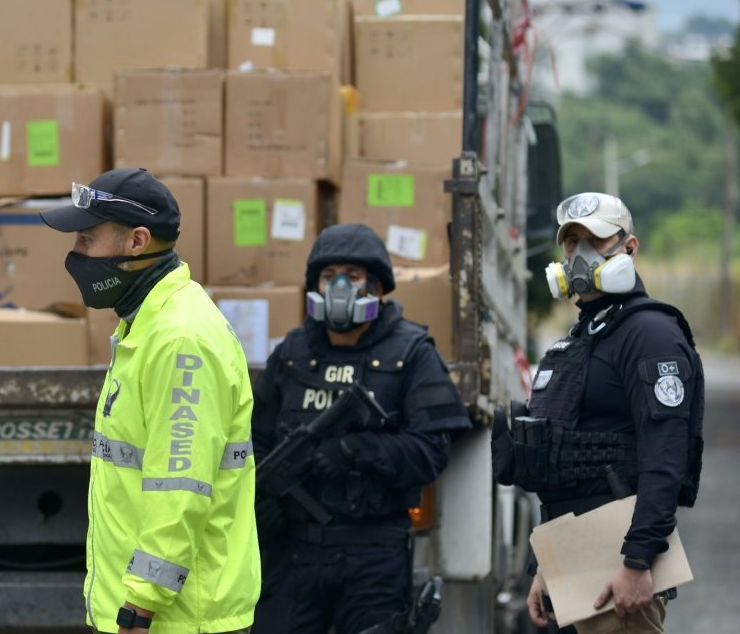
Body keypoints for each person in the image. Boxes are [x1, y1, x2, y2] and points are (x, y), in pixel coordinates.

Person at [41, 168, 260, 634]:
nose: (76, 254)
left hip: (175, 620)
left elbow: (179, 489)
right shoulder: (145, 323)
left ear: (137, 241)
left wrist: (139, 607)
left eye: (86, 239)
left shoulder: (181, 339)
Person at [250, 223, 471, 634]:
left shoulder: (412, 353)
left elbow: (431, 452)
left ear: (377, 286)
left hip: (373, 555)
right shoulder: (292, 355)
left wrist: (356, 451)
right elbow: (254, 441)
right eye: (328, 275)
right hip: (293, 555)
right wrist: (259, 498)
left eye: (351, 276)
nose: (339, 286)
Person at [499, 192, 704, 633]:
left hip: (617, 566)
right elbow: (561, 464)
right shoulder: (584, 335)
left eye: (594, 239)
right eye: (571, 242)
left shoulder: (650, 333)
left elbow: (664, 454)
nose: (578, 253)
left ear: (629, 247)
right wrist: (545, 567)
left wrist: (638, 560)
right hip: (570, 566)